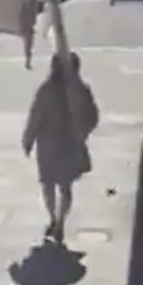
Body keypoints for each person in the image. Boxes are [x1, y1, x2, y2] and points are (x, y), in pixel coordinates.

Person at [22, 50, 99, 245]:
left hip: (48, 144)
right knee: (65, 186)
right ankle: (60, 222)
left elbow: (36, 116)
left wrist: (28, 139)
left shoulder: (46, 90)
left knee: (48, 184)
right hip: (69, 143)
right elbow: (93, 117)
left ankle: (53, 218)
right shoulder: (81, 90)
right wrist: (83, 132)